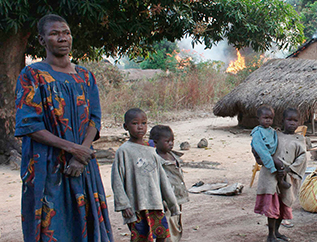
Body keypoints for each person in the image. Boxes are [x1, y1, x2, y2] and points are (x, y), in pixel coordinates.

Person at [14, 14, 113, 241]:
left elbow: (94, 120)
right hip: (45, 166)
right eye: (54, 33)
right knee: (52, 227)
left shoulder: (85, 76)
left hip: (82, 165)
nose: (62, 38)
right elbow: (30, 125)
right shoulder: (32, 75)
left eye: (66, 33)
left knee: (86, 223)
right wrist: (73, 149)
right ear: (42, 40)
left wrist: (81, 154)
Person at [111, 108, 180, 242]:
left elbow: (162, 179)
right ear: (126, 126)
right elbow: (117, 180)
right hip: (136, 205)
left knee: (161, 235)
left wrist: (171, 203)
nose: (140, 127)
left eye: (143, 123)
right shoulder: (124, 152)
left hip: (155, 203)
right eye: (135, 123)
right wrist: (124, 205)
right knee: (141, 238)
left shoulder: (151, 151)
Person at [254, 108, 307, 242]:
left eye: (295, 121)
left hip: (287, 175)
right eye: (289, 120)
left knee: (284, 203)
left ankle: (277, 231)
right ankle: (270, 235)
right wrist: (258, 156)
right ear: (282, 121)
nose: (292, 123)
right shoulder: (274, 135)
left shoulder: (300, 139)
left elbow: (302, 158)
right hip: (270, 174)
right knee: (273, 204)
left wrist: (288, 169)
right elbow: (260, 146)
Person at [150, 125, 189, 242]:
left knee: (177, 225)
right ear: (155, 142)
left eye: (172, 141)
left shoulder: (173, 156)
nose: (171, 144)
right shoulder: (155, 160)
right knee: (166, 229)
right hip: (165, 203)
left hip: (178, 198)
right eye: (167, 141)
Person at [251, 105, 291, 190]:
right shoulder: (257, 132)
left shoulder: (271, 131)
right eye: (265, 118)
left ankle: (281, 180)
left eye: (270, 118)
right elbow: (260, 149)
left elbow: (276, 141)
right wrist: (271, 165)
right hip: (262, 156)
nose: (268, 120)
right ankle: (281, 181)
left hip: (270, 154)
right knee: (279, 163)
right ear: (258, 119)